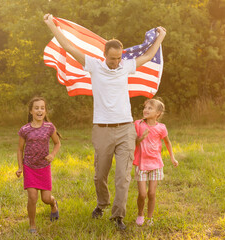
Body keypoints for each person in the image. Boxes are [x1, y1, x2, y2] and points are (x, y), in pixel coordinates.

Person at [43, 14, 167, 230]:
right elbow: (69, 47)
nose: (116, 62)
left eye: (119, 58)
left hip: (126, 130)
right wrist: (51, 25)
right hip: (102, 129)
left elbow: (148, 56)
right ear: (104, 55)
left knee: (123, 177)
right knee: (100, 175)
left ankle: (118, 215)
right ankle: (102, 204)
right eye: (112, 58)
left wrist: (161, 37)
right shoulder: (94, 66)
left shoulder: (126, 67)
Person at [16, 96, 61, 234]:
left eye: (42, 108)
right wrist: (20, 167)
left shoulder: (49, 127)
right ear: (31, 111)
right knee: (32, 197)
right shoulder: (25, 129)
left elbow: (57, 143)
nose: (39, 110)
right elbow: (20, 149)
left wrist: (52, 155)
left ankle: (54, 204)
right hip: (29, 166)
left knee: (46, 198)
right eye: (36, 108)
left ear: (45, 111)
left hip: (44, 168)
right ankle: (32, 225)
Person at [133, 98, 178, 226]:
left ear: (158, 113)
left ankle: (149, 218)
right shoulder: (139, 124)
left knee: (151, 193)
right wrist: (141, 138)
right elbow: (133, 143)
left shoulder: (161, 128)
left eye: (150, 108)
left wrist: (172, 158)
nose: (145, 110)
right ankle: (140, 214)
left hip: (156, 164)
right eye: (145, 107)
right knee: (142, 194)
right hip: (141, 164)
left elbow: (168, 143)